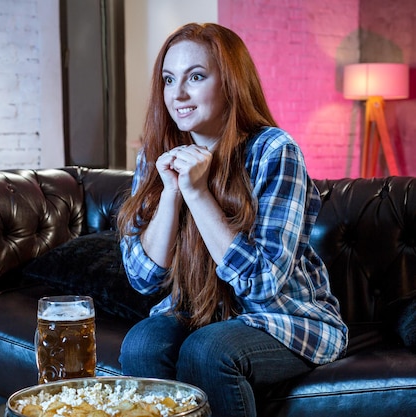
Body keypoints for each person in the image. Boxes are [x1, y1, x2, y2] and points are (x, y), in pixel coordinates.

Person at [116, 23, 348, 417]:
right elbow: (143, 277)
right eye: (169, 79)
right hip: (197, 312)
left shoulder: (274, 150)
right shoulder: (156, 154)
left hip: (283, 319)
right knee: (140, 345)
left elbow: (263, 283)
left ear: (231, 83)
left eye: (196, 77)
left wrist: (198, 193)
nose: (179, 94)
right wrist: (172, 192)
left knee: (207, 351)